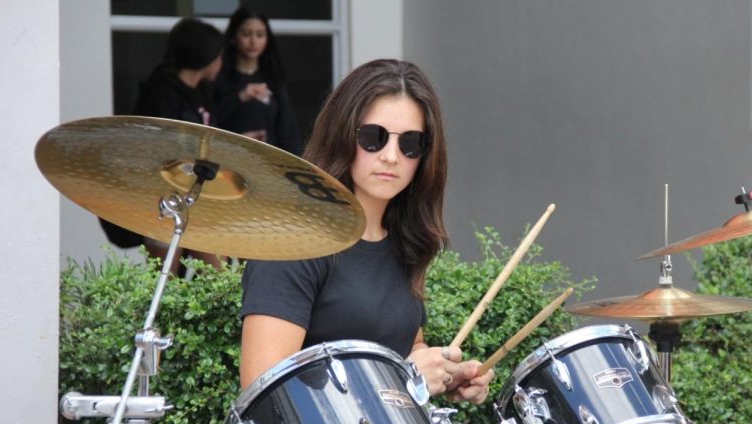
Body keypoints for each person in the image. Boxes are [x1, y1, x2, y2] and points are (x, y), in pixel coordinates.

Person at [239, 59, 494, 403]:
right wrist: (406, 378)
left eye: (410, 144)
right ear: (341, 134)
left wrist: (442, 375)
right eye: (373, 138)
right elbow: (263, 390)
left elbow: (406, 345)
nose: (391, 156)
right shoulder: (295, 242)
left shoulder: (405, 242)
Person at [99, 17, 225, 272]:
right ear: (207, 54)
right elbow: (156, 145)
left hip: (193, 191)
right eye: (219, 53)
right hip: (164, 191)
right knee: (166, 271)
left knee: (212, 267)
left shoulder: (201, 90)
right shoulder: (162, 91)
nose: (222, 61)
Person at [214, 6, 303, 154]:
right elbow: (209, 120)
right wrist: (240, 97)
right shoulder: (219, 76)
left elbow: (287, 128)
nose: (253, 41)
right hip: (227, 157)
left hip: (266, 159)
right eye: (246, 34)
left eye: (260, 35)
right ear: (233, 37)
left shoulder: (273, 77)